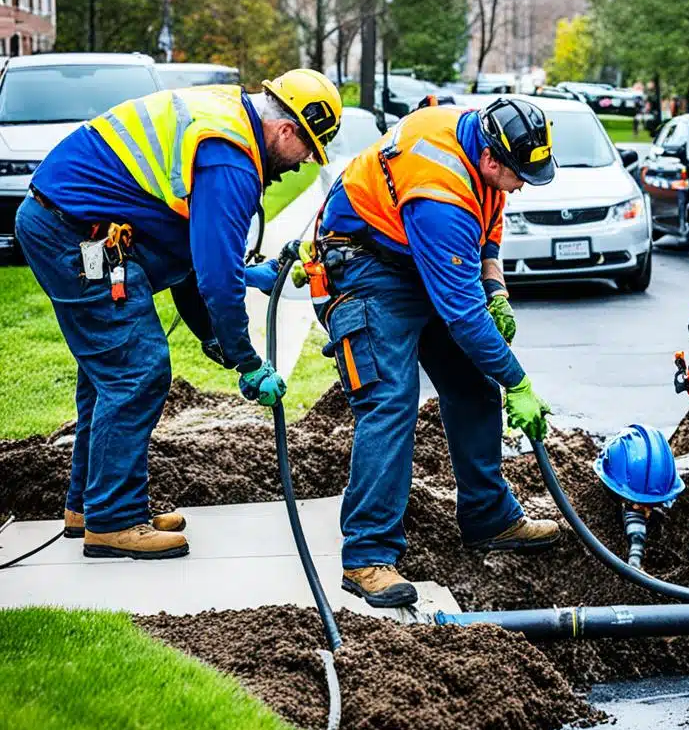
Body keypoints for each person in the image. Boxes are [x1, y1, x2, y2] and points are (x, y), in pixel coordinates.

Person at [16, 69, 343, 562]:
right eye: (308, 153)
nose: (301, 167)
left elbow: (197, 256)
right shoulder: (231, 159)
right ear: (287, 131)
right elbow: (214, 279)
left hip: (74, 225)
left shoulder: (227, 116)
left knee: (108, 375)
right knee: (137, 372)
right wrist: (246, 361)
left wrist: (228, 312)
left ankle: (89, 504)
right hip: (73, 235)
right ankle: (114, 521)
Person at [306, 97, 560, 608]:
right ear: (492, 160)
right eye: (520, 176)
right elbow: (462, 316)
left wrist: (497, 289)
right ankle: (367, 556)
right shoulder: (440, 192)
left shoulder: (479, 148)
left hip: (410, 255)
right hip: (364, 266)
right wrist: (518, 381)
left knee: (472, 386)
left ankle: (489, 518)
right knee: (391, 400)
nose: (524, 186)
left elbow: (489, 224)